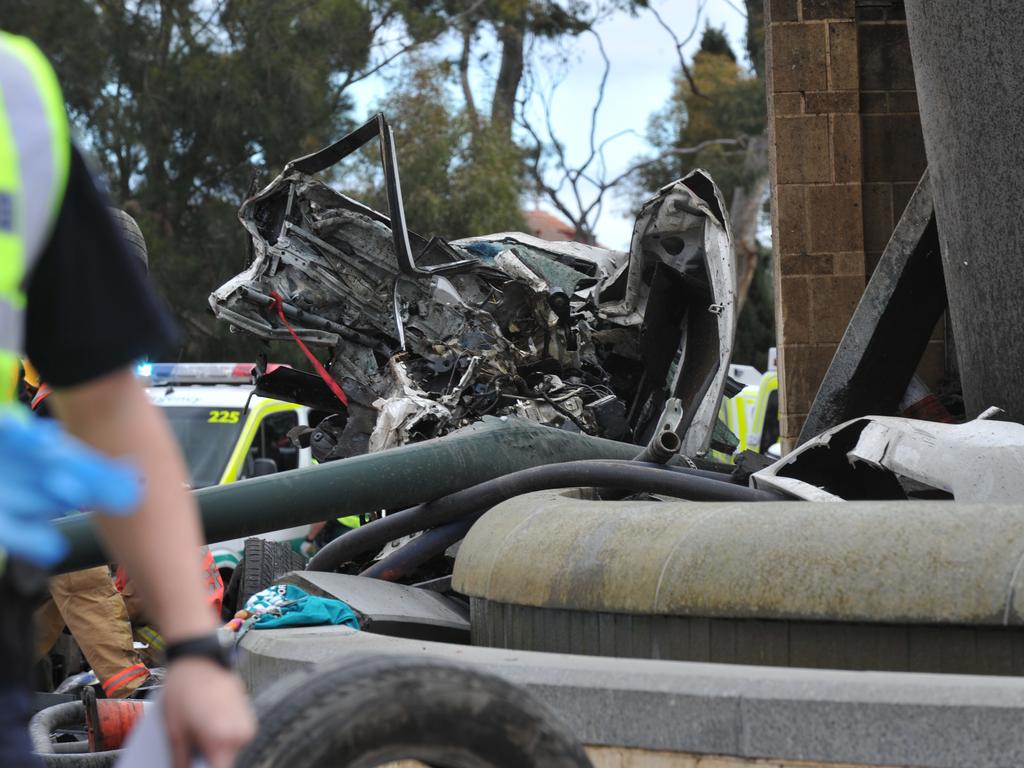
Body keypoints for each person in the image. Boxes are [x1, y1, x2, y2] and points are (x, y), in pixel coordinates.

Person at [0, 30, 254, 767]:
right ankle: (119, 674)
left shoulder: (15, 95)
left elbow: (110, 405)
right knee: (74, 572)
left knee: (69, 572)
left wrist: (199, 655)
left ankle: (119, 676)